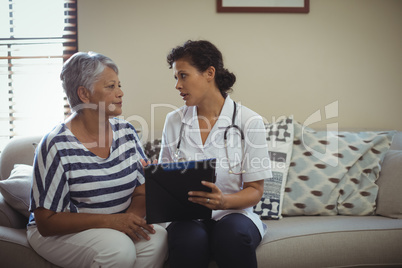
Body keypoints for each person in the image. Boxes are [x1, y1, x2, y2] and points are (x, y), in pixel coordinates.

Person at [27, 51, 168, 268]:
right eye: (111, 86)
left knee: (156, 237)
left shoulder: (126, 132)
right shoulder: (55, 144)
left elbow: (141, 191)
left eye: (119, 85)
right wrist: (113, 223)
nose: (121, 93)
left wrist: (129, 221)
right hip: (60, 234)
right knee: (118, 249)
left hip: (113, 226)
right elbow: (46, 222)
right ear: (84, 94)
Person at [159, 40, 272, 268]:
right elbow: (165, 184)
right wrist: (154, 176)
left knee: (231, 236)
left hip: (235, 214)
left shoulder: (249, 122)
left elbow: (255, 190)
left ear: (209, 73)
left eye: (183, 75)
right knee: (189, 240)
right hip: (187, 217)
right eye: (175, 78)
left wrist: (223, 201)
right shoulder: (174, 122)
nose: (177, 85)